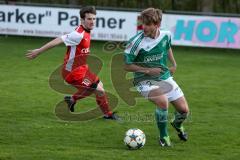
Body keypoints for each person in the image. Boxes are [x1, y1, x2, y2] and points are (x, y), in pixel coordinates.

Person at [26, 6, 119, 120]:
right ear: (82, 20)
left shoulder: (86, 31)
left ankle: (73, 100)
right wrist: (39, 51)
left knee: (100, 86)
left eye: (94, 19)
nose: (92, 22)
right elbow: (58, 40)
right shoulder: (78, 34)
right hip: (73, 72)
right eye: (89, 19)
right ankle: (107, 114)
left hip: (82, 68)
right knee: (99, 90)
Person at [124, 8, 189, 146]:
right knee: (162, 101)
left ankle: (177, 125)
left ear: (157, 24)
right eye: (143, 24)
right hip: (143, 79)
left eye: (148, 24)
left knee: (184, 111)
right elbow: (126, 66)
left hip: (163, 76)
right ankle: (163, 137)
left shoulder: (166, 34)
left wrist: (174, 64)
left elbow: (167, 47)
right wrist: (147, 71)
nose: (144, 27)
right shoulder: (135, 42)